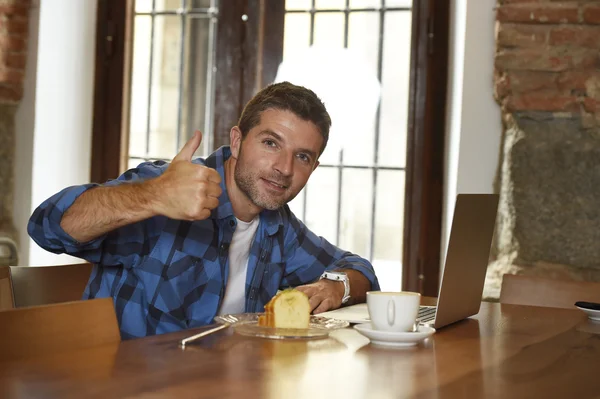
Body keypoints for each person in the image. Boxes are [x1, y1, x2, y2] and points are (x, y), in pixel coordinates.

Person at [28, 82, 380, 339]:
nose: (284, 168)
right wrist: (152, 196)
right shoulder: (166, 187)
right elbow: (46, 226)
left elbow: (359, 269)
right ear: (238, 142)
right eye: (271, 143)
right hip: (125, 386)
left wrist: (338, 286)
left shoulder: (279, 226)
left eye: (302, 156)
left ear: (313, 168)